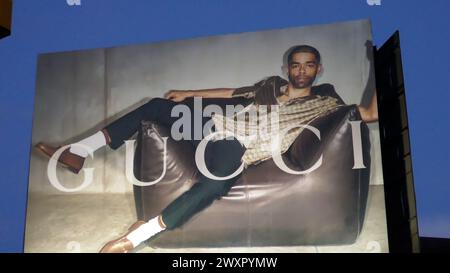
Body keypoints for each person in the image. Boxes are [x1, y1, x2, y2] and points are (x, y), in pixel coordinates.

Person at [35, 45, 378, 253]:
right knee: (156, 104)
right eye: (296, 64)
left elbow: (372, 114)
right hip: (216, 125)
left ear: (319, 69)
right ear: (287, 68)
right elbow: (232, 92)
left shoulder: (327, 101)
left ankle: (137, 237)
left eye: (309, 64)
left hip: (239, 145)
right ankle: (80, 151)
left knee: (217, 183)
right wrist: (188, 94)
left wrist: (380, 59)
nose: (301, 70)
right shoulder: (270, 86)